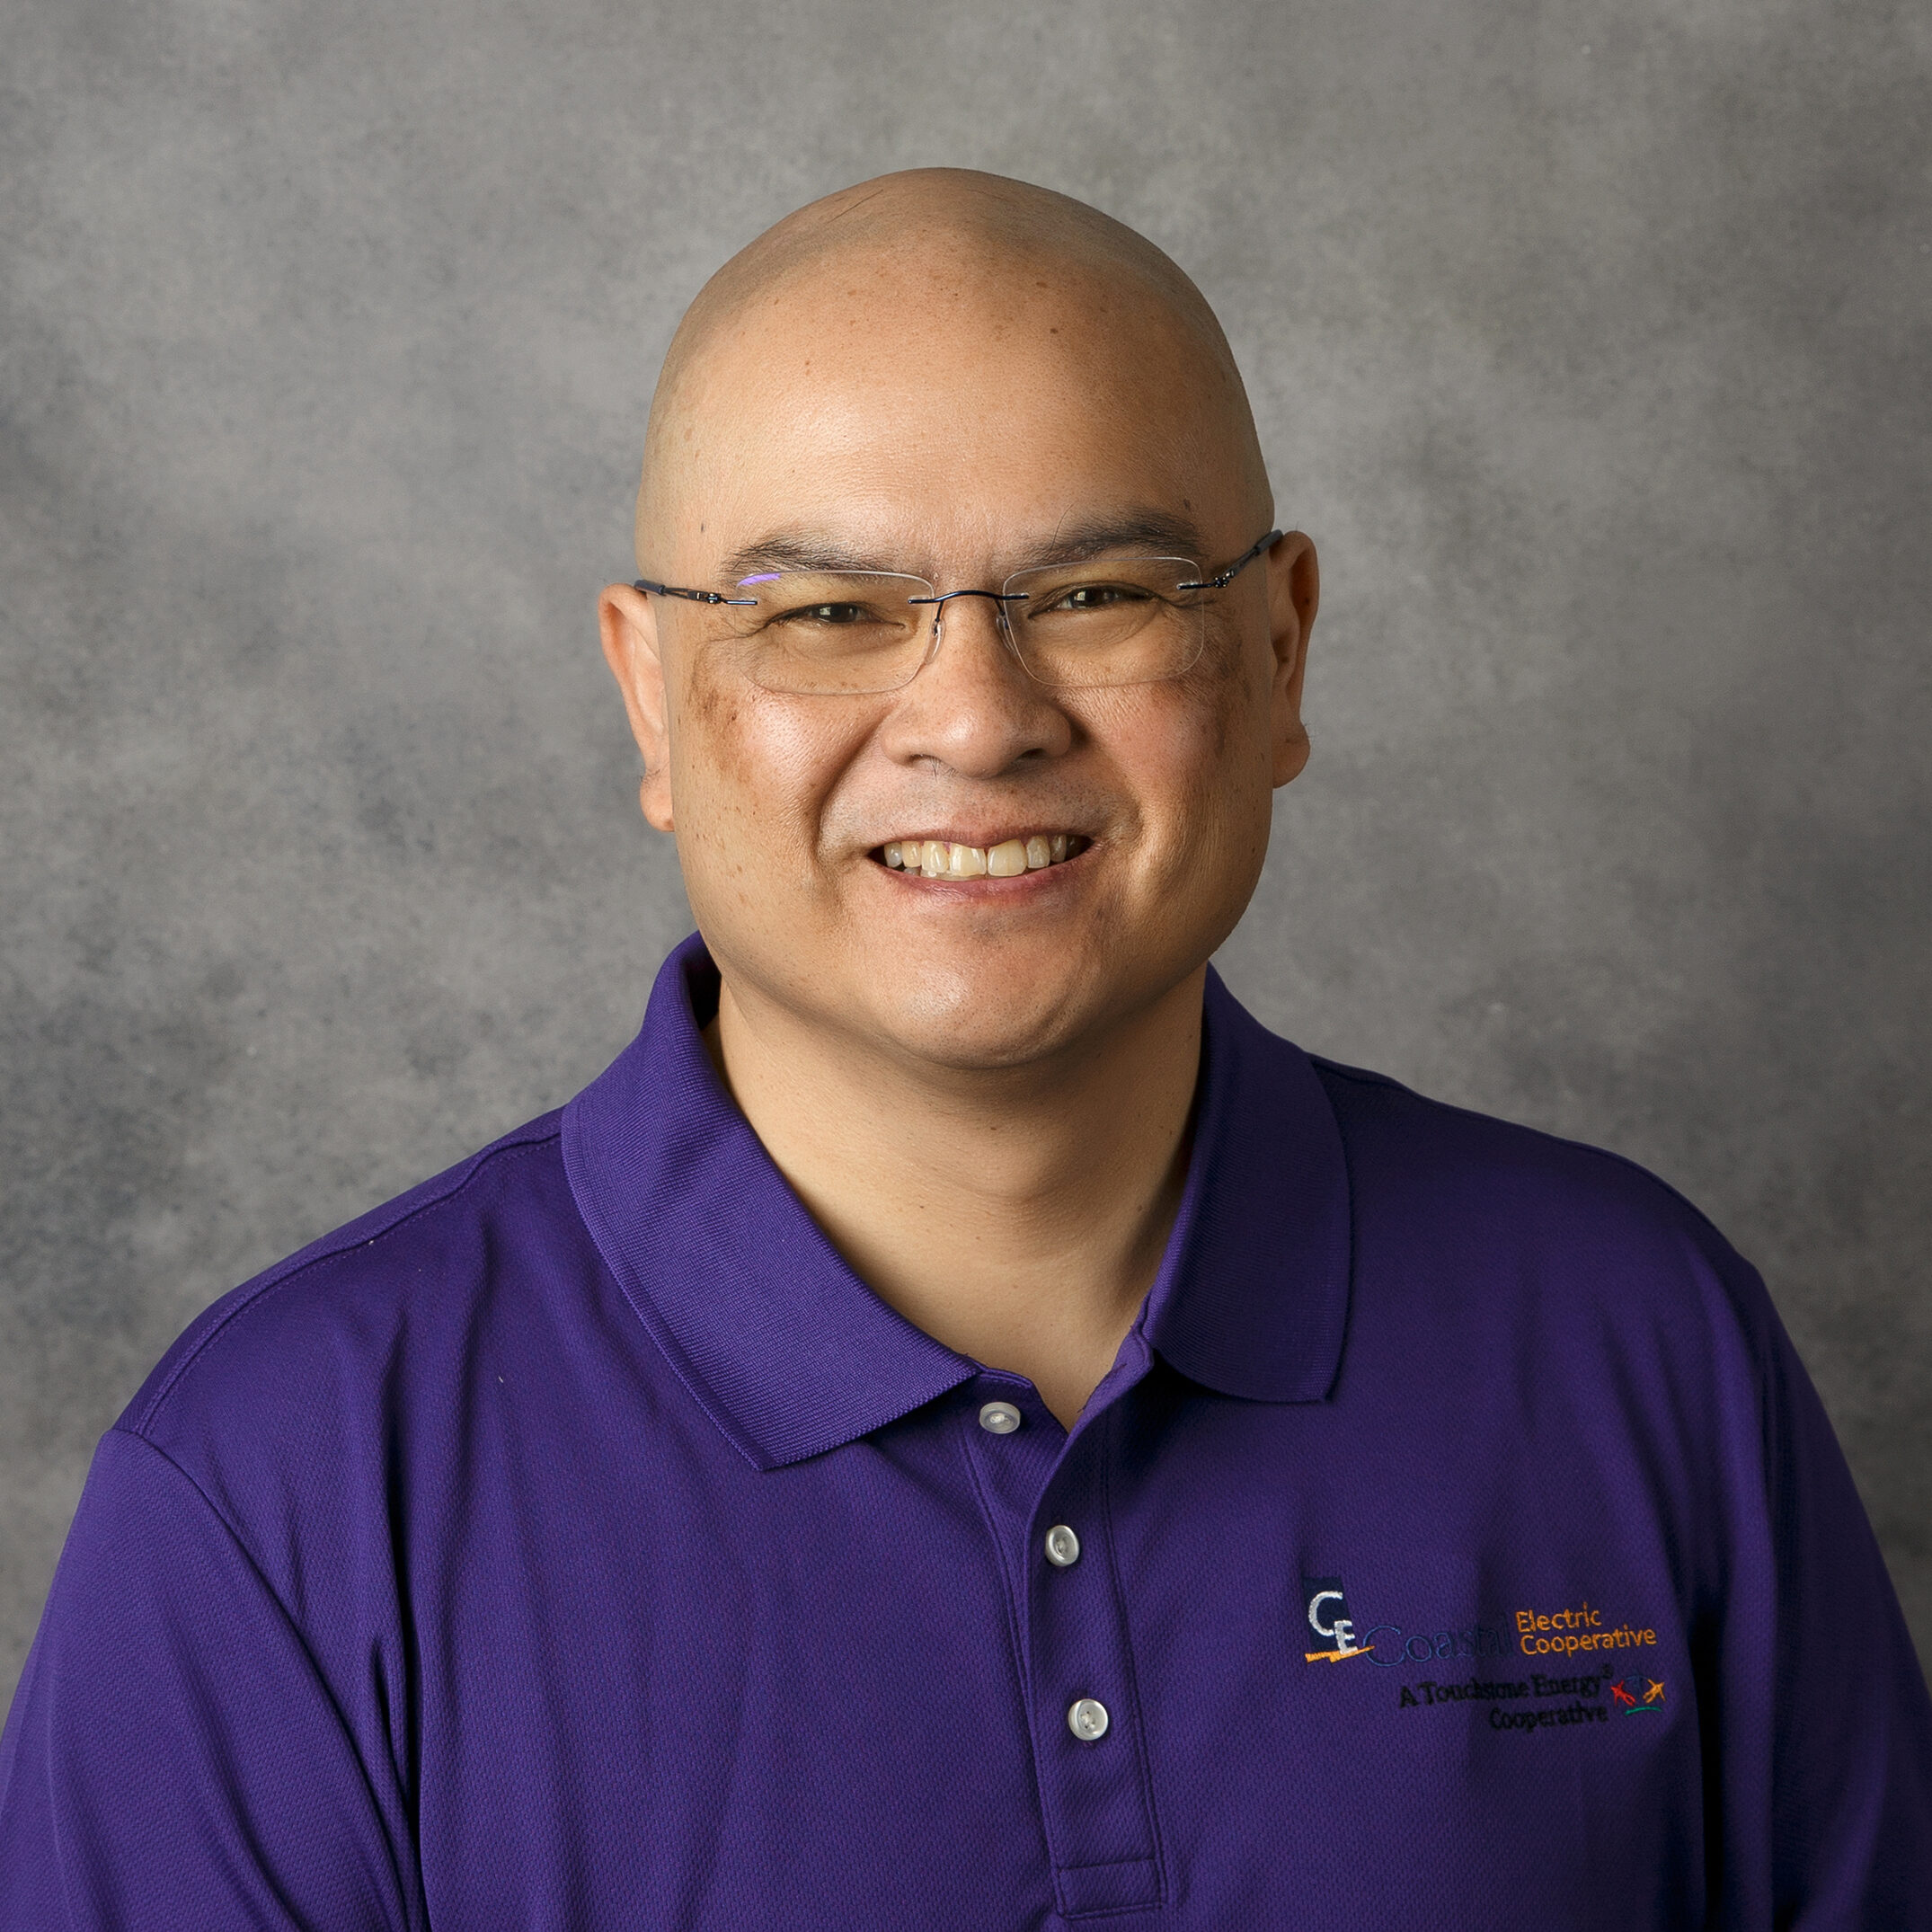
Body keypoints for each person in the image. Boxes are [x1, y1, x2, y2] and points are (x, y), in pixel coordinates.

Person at [1, 167, 1926, 1929]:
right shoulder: (280, 1489)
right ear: (651, 699)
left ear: (1279, 652)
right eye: (830, 612)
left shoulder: (1633, 1336)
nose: (976, 718)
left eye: (1094, 594)